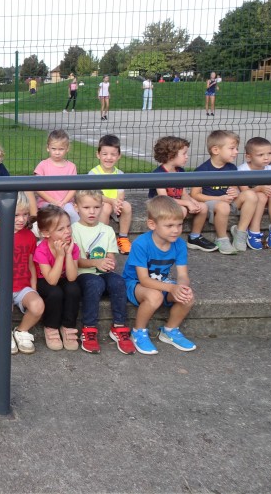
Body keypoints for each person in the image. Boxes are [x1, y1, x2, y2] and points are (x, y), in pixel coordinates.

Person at [123, 196, 198, 355]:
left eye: (179, 224)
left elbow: (183, 274)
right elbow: (144, 280)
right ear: (152, 224)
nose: (176, 230)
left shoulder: (179, 244)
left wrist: (182, 287)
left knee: (187, 297)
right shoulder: (141, 244)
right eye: (169, 225)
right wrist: (171, 288)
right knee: (155, 296)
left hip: (161, 282)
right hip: (135, 284)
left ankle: (169, 330)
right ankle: (138, 332)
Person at [0, 192, 44, 355]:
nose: (22, 219)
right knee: (4, 303)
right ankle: (4, 333)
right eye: (16, 215)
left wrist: (34, 289)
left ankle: (21, 331)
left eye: (25, 214)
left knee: (38, 305)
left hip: (22, 287)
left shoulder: (30, 237)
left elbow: (31, 265)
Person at [71, 190, 134, 355]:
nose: (92, 211)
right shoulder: (73, 230)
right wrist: (95, 262)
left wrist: (109, 263)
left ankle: (119, 326)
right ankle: (89, 328)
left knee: (118, 281)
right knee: (94, 282)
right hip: (82, 274)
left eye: (96, 207)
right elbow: (75, 261)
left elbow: (110, 256)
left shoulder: (107, 230)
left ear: (102, 207)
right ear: (76, 208)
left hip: (101, 273)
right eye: (86, 207)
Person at [190, 130, 259, 255]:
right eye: (232, 148)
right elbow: (194, 195)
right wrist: (219, 199)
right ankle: (222, 238)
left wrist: (235, 192)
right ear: (216, 150)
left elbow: (233, 188)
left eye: (236, 148)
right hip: (212, 205)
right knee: (223, 206)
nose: (236, 152)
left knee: (251, 195)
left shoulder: (232, 168)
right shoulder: (202, 170)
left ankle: (240, 232)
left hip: (228, 203)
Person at [149, 136, 217, 252]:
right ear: (171, 156)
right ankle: (169, 239)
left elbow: (183, 193)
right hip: (161, 205)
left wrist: (193, 202)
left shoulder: (180, 170)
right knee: (182, 210)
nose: (187, 156)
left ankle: (194, 237)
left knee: (203, 207)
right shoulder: (159, 174)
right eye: (184, 153)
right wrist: (186, 203)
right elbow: (164, 199)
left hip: (177, 202)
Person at [33, 205, 81, 351]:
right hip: (45, 280)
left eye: (68, 226)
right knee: (55, 292)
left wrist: (68, 253)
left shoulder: (72, 246)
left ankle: (68, 326)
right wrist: (60, 256)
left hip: (64, 277)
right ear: (46, 233)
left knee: (73, 289)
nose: (67, 231)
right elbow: (52, 281)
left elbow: (72, 277)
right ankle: (51, 326)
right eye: (60, 229)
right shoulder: (41, 250)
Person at [88, 134, 132, 254]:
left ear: (119, 156)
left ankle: (123, 238)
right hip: (99, 204)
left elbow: (121, 193)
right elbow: (95, 195)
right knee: (106, 207)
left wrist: (118, 203)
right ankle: (101, 239)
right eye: (105, 154)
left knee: (126, 206)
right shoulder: (94, 173)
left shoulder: (119, 174)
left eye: (113, 154)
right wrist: (112, 202)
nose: (109, 157)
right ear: (98, 154)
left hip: (114, 203)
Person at [237, 137, 271, 250]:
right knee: (261, 196)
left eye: (269, 153)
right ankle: (254, 229)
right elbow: (245, 192)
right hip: (250, 202)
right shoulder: (243, 170)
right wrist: (259, 189)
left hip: (268, 200)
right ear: (248, 157)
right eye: (260, 155)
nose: (266, 158)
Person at [34, 129, 79, 224]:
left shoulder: (71, 167)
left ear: (67, 148)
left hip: (66, 203)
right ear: (48, 148)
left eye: (61, 149)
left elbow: (73, 188)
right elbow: (38, 188)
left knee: (72, 214)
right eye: (54, 149)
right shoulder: (42, 165)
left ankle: (78, 232)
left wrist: (63, 202)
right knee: (51, 218)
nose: (57, 152)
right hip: (47, 202)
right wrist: (53, 202)